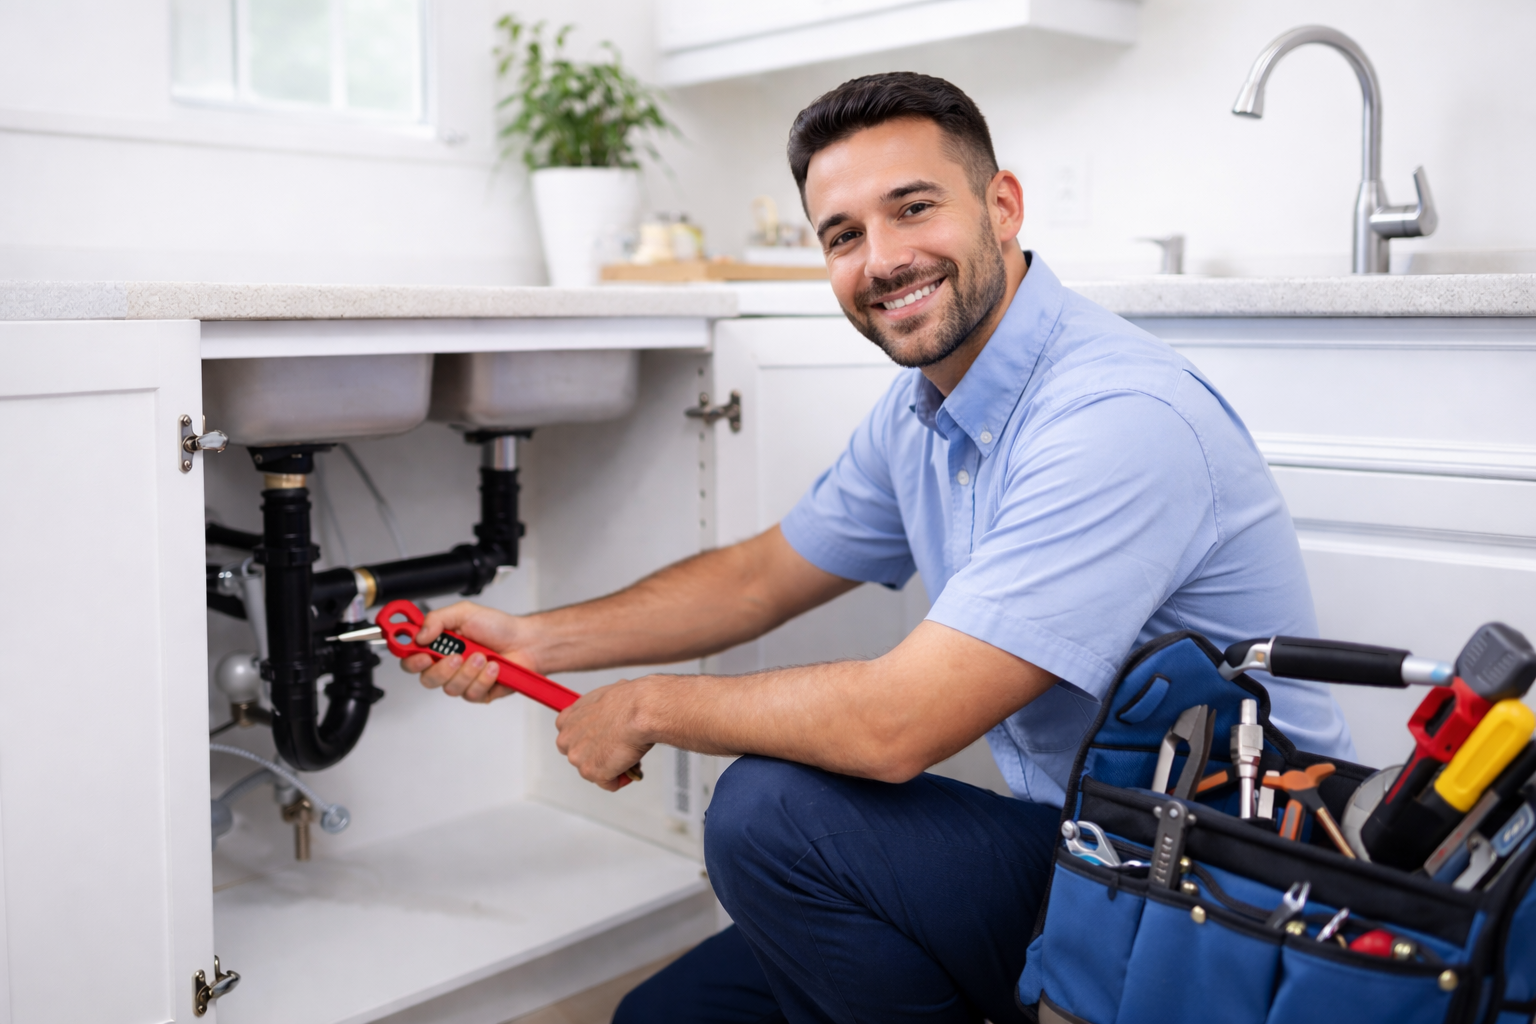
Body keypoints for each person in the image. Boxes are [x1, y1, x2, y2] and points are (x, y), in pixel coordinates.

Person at [402, 72, 1355, 1024]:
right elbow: (755, 580)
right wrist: (533, 641)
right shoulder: (925, 412)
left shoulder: (1115, 418)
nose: (885, 259)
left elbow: (896, 727)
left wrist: (647, 705)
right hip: (1080, 848)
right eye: (844, 235)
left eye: (913, 209)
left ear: (1003, 205)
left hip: (1219, 899)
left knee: (767, 816)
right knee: (667, 1017)